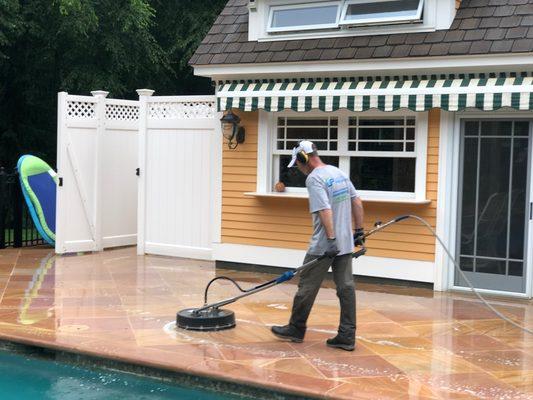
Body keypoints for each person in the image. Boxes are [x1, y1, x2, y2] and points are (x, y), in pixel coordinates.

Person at [271, 140, 365, 351]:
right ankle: (347, 336)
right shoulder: (337, 172)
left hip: (325, 245)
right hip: (346, 243)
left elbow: (325, 210)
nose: (299, 168)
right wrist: (359, 232)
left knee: (306, 286)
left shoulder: (314, 179)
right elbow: (357, 201)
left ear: (305, 158)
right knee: (346, 288)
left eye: (298, 163)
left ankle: (296, 328)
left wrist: (331, 240)